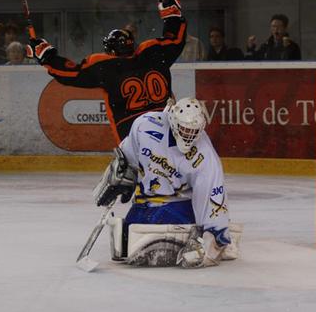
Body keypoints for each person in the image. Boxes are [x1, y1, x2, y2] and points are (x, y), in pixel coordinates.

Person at [26, 0, 187, 143]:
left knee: (134, 169)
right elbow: (175, 39)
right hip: (167, 128)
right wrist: (172, 15)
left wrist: (46, 55)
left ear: (111, 50)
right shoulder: (154, 52)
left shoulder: (105, 67)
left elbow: (71, 74)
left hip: (132, 137)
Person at [97, 97, 236, 268]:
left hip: (179, 204)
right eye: (184, 129)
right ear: (173, 121)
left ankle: (203, 233)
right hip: (145, 203)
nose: (189, 135)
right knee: (124, 240)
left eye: (193, 131)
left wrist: (214, 236)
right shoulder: (144, 125)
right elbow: (127, 157)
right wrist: (122, 177)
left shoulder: (204, 157)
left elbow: (212, 198)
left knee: (138, 247)